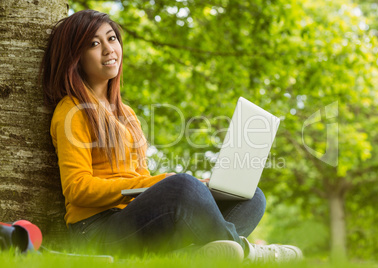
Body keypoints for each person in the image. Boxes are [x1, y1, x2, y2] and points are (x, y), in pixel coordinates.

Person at [40, 9, 303, 262]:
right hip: (97, 230)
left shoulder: (126, 114)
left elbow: (139, 178)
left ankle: (195, 253)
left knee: (249, 195)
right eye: (94, 44)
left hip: (137, 218)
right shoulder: (71, 111)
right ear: (76, 57)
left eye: (111, 38)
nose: (109, 49)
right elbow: (76, 189)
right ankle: (248, 253)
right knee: (181, 185)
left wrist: (196, 188)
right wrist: (163, 185)